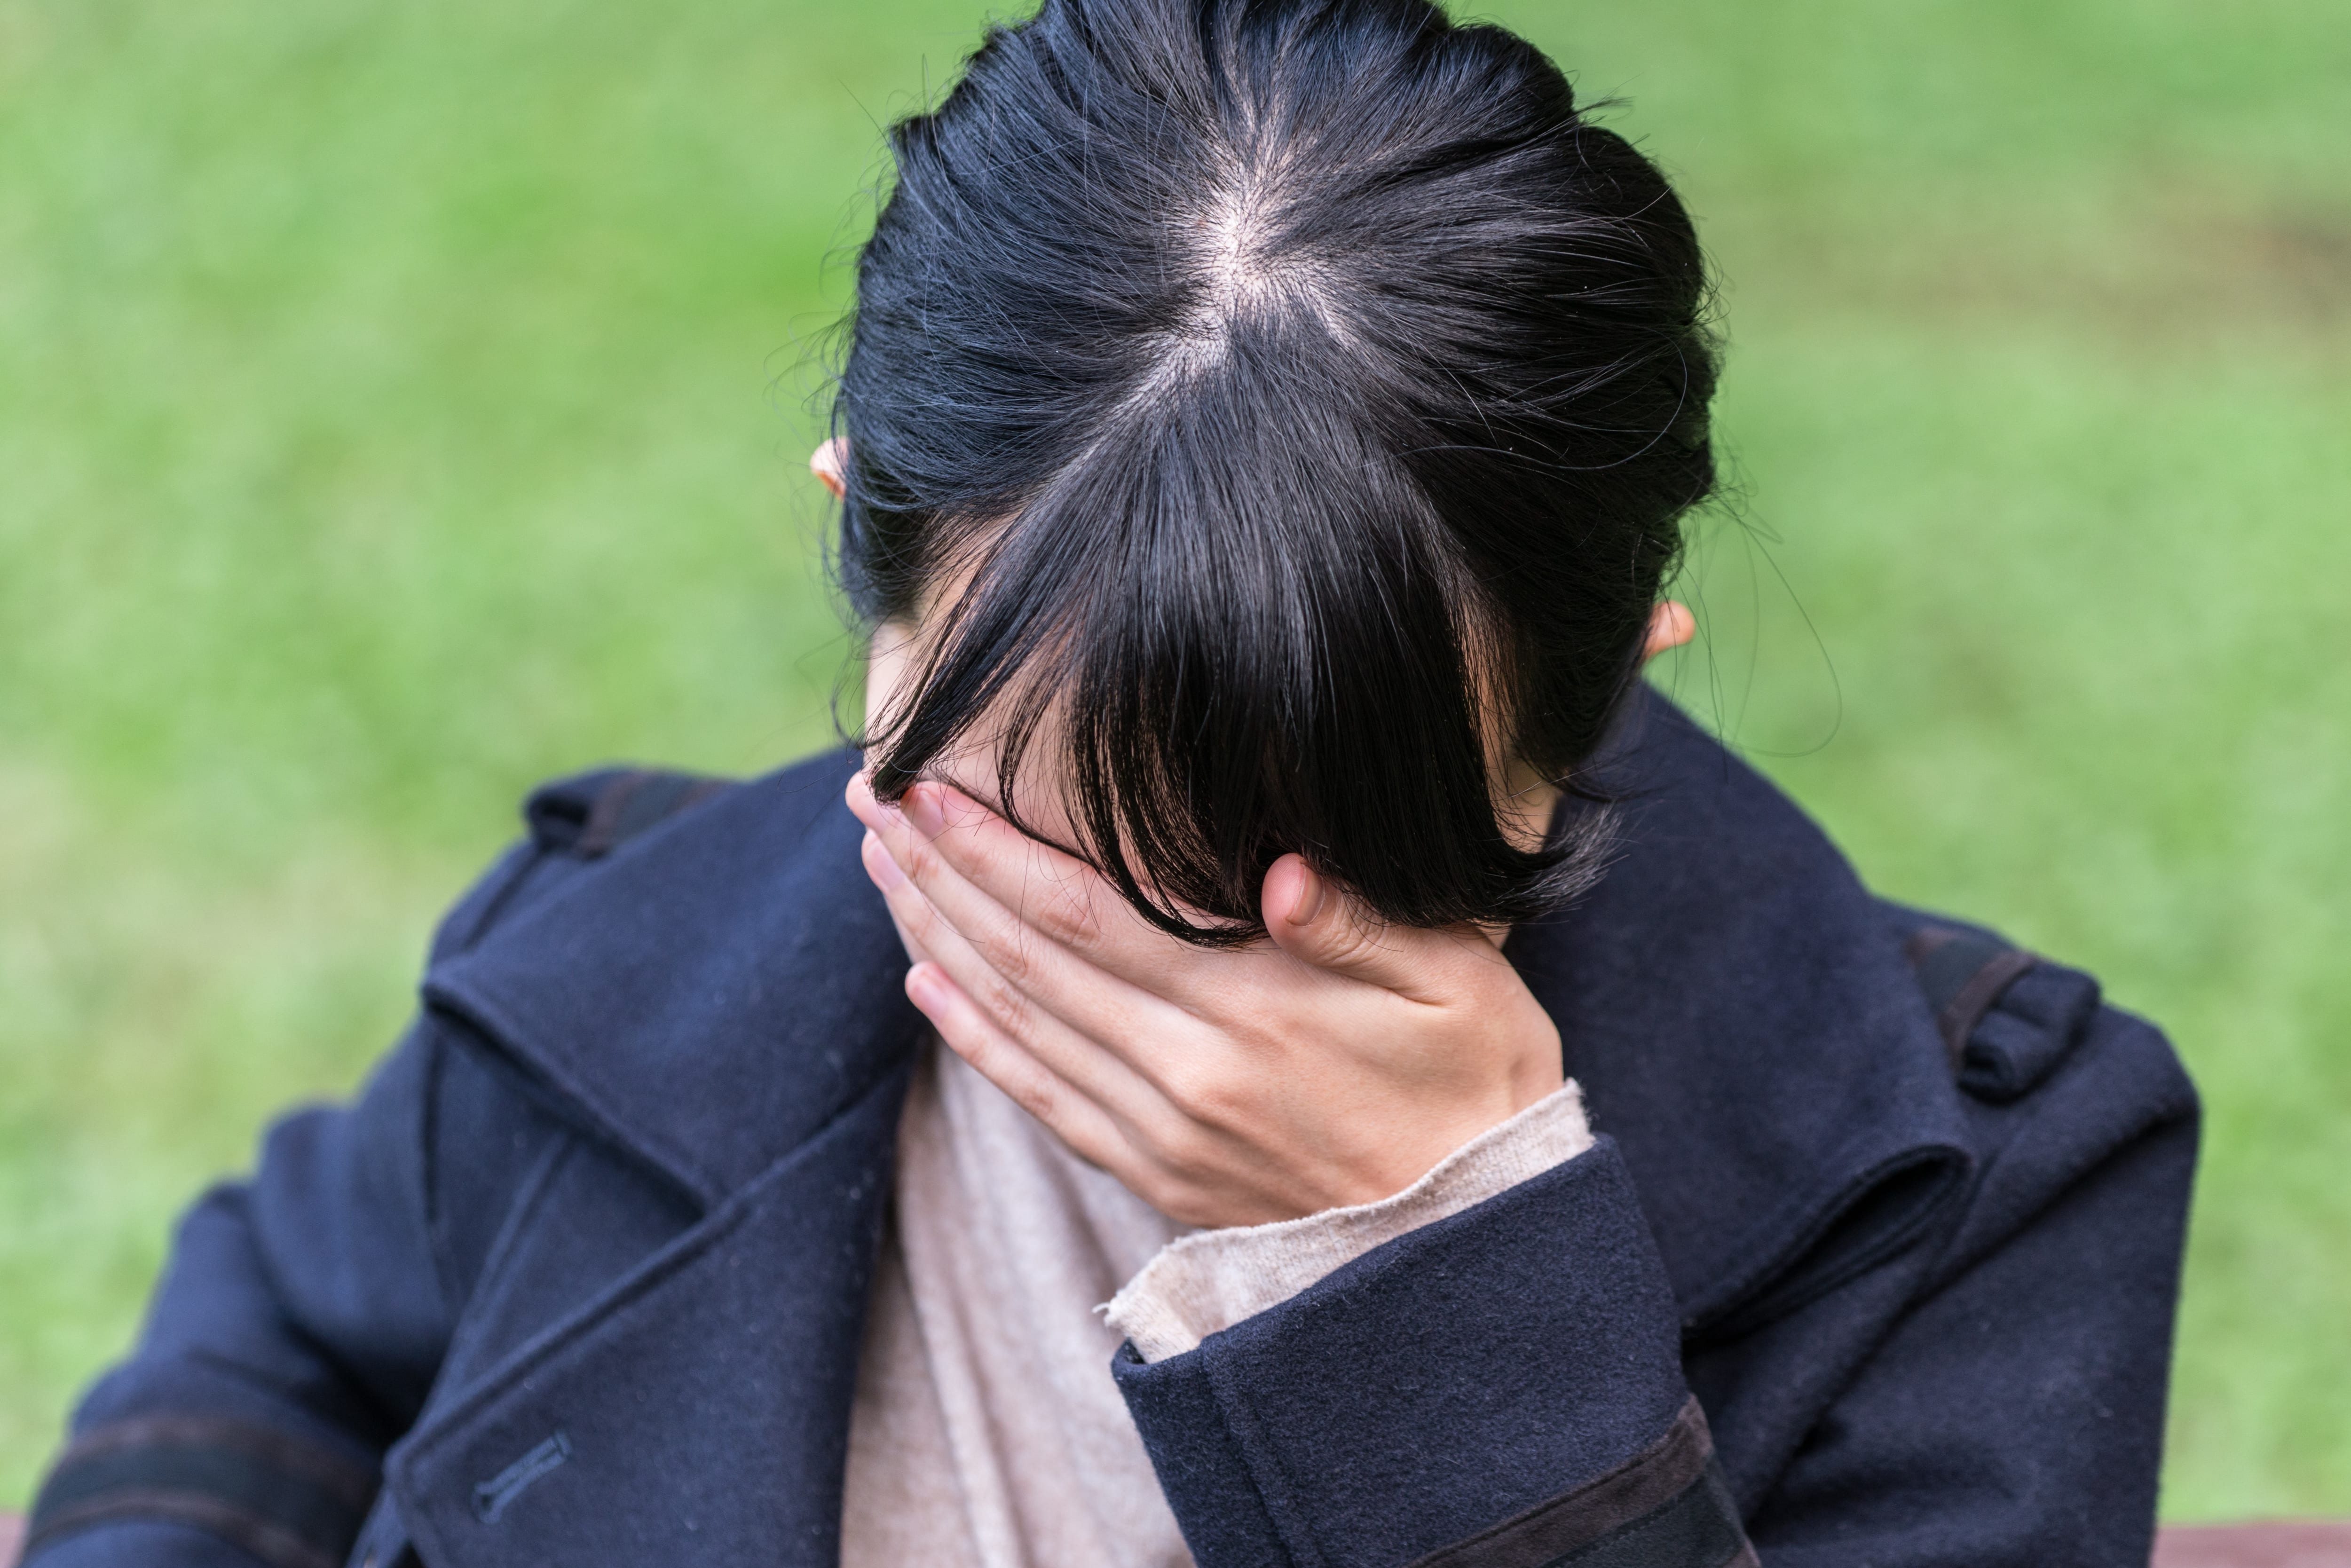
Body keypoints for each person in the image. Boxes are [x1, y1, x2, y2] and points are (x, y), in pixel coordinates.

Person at [18, 1, 2197, 1565]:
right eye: (1025, 837)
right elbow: (278, 1331)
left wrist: (1438, 1271)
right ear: (860, 520)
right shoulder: (615, 961)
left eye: (1319, 873)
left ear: (1613, 667)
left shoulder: (1977, 1191)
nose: (1132, 969)